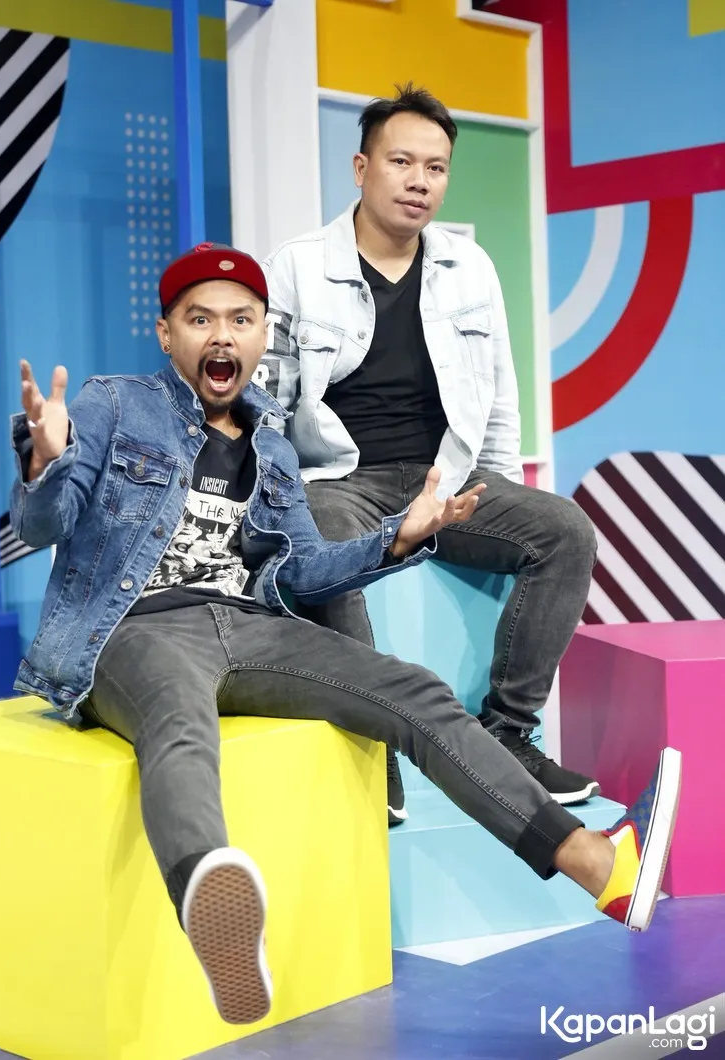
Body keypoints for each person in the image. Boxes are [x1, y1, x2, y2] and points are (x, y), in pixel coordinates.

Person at [10, 242, 681, 1027]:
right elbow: (45, 525)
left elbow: (306, 570)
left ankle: (597, 865)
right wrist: (45, 464)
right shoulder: (114, 405)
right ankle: (212, 901)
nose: (222, 335)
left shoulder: (272, 446)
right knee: (179, 722)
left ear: (263, 336)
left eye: (241, 319)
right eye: (200, 319)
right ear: (167, 334)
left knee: (415, 693)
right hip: (134, 628)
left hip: (248, 626)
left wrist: (399, 538)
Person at [261, 84, 601, 823]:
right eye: (402, 162)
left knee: (567, 531)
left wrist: (499, 490)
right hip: (341, 477)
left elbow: (499, 393)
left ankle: (507, 736)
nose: (419, 181)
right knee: (325, 540)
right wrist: (276, 504)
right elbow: (269, 403)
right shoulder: (297, 266)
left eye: (436, 167)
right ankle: (373, 750)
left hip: (445, 478)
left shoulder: (469, 267)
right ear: (361, 168)